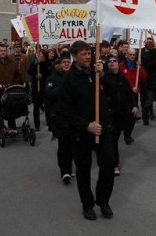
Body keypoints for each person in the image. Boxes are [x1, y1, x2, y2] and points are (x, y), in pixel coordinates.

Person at [59, 40, 116, 220]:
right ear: (74, 56)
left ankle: (103, 200)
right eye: (83, 53)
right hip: (82, 132)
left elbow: (113, 91)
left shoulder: (96, 71)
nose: (87, 56)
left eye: (88, 52)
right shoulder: (69, 79)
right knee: (83, 169)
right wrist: (86, 125)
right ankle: (87, 204)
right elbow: (65, 109)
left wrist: (104, 75)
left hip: (103, 127)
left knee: (108, 163)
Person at [104, 55, 138, 174]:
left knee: (114, 137)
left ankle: (108, 155)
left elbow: (130, 94)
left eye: (114, 61)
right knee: (112, 139)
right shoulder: (104, 78)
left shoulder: (123, 78)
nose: (112, 63)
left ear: (118, 64)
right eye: (110, 61)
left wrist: (134, 105)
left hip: (121, 114)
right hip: (109, 115)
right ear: (107, 65)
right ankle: (115, 164)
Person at [44, 52, 74, 184]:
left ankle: (69, 166)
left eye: (68, 62)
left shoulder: (75, 77)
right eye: (64, 62)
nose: (66, 64)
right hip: (59, 117)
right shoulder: (52, 78)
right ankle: (65, 171)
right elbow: (49, 93)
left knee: (73, 145)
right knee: (64, 145)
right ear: (59, 65)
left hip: (74, 116)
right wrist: (64, 89)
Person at [27, 49, 51, 131]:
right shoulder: (36, 63)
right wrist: (35, 66)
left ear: (44, 55)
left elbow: (50, 75)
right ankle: (37, 124)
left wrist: (42, 76)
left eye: (40, 54)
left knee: (47, 106)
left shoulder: (48, 63)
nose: (38, 55)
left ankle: (49, 121)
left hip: (46, 87)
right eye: (38, 54)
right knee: (36, 107)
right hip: (36, 87)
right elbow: (29, 71)